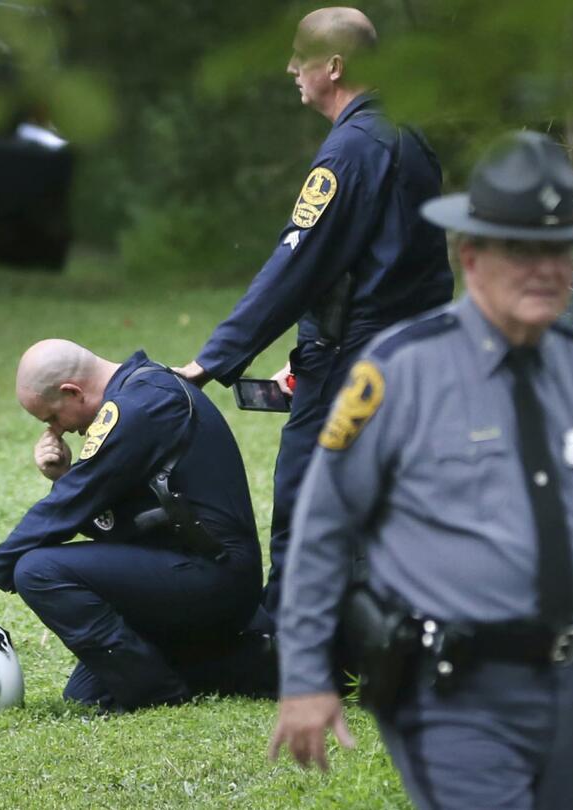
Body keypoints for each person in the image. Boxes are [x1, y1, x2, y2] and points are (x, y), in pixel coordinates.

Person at [267, 132, 573, 808]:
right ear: (471, 256)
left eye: (560, 248)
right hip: (448, 691)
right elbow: (322, 528)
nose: (546, 268)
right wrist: (306, 674)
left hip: (570, 687)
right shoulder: (400, 372)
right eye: (522, 249)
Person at [176, 7, 453, 616]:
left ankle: (287, 641)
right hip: (417, 354)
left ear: (334, 66)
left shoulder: (351, 151)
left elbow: (295, 266)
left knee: (305, 498)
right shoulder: (412, 138)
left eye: (300, 57)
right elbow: (421, 268)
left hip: (353, 360)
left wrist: (211, 361)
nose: (290, 68)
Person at [0, 339, 272, 711]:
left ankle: (158, 694)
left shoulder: (138, 407)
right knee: (87, 694)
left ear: (72, 391)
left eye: (52, 417)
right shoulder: (142, 391)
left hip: (216, 579)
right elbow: (120, 525)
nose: (58, 430)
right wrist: (65, 475)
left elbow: (65, 509)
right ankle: (246, 660)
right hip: (190, 569)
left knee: (37, 570)